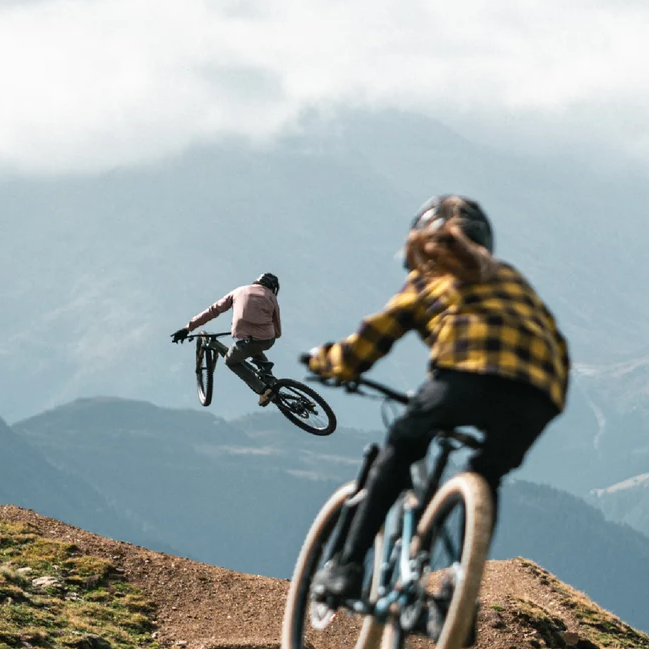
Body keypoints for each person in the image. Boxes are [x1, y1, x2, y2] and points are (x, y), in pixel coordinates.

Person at [304, 196, 568, 603]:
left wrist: (330, 363)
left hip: (465, 375)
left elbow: (373, 337)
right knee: (485, 474)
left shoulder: (430, 277)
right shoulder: (510, 277)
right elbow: (555, 340)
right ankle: (460, 590)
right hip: (540, 393)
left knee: (401, 446)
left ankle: (346, 567)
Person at [172, 272, 283, 405]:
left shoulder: (239, 291)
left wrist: (187, 328)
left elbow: (213, 310)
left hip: (244, 340)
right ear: (274, 288)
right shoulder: (272, 297)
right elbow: (278, 332)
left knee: (231, 361)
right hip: (266, 340)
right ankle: (270, 380)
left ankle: (263, 390)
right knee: (255, 348)